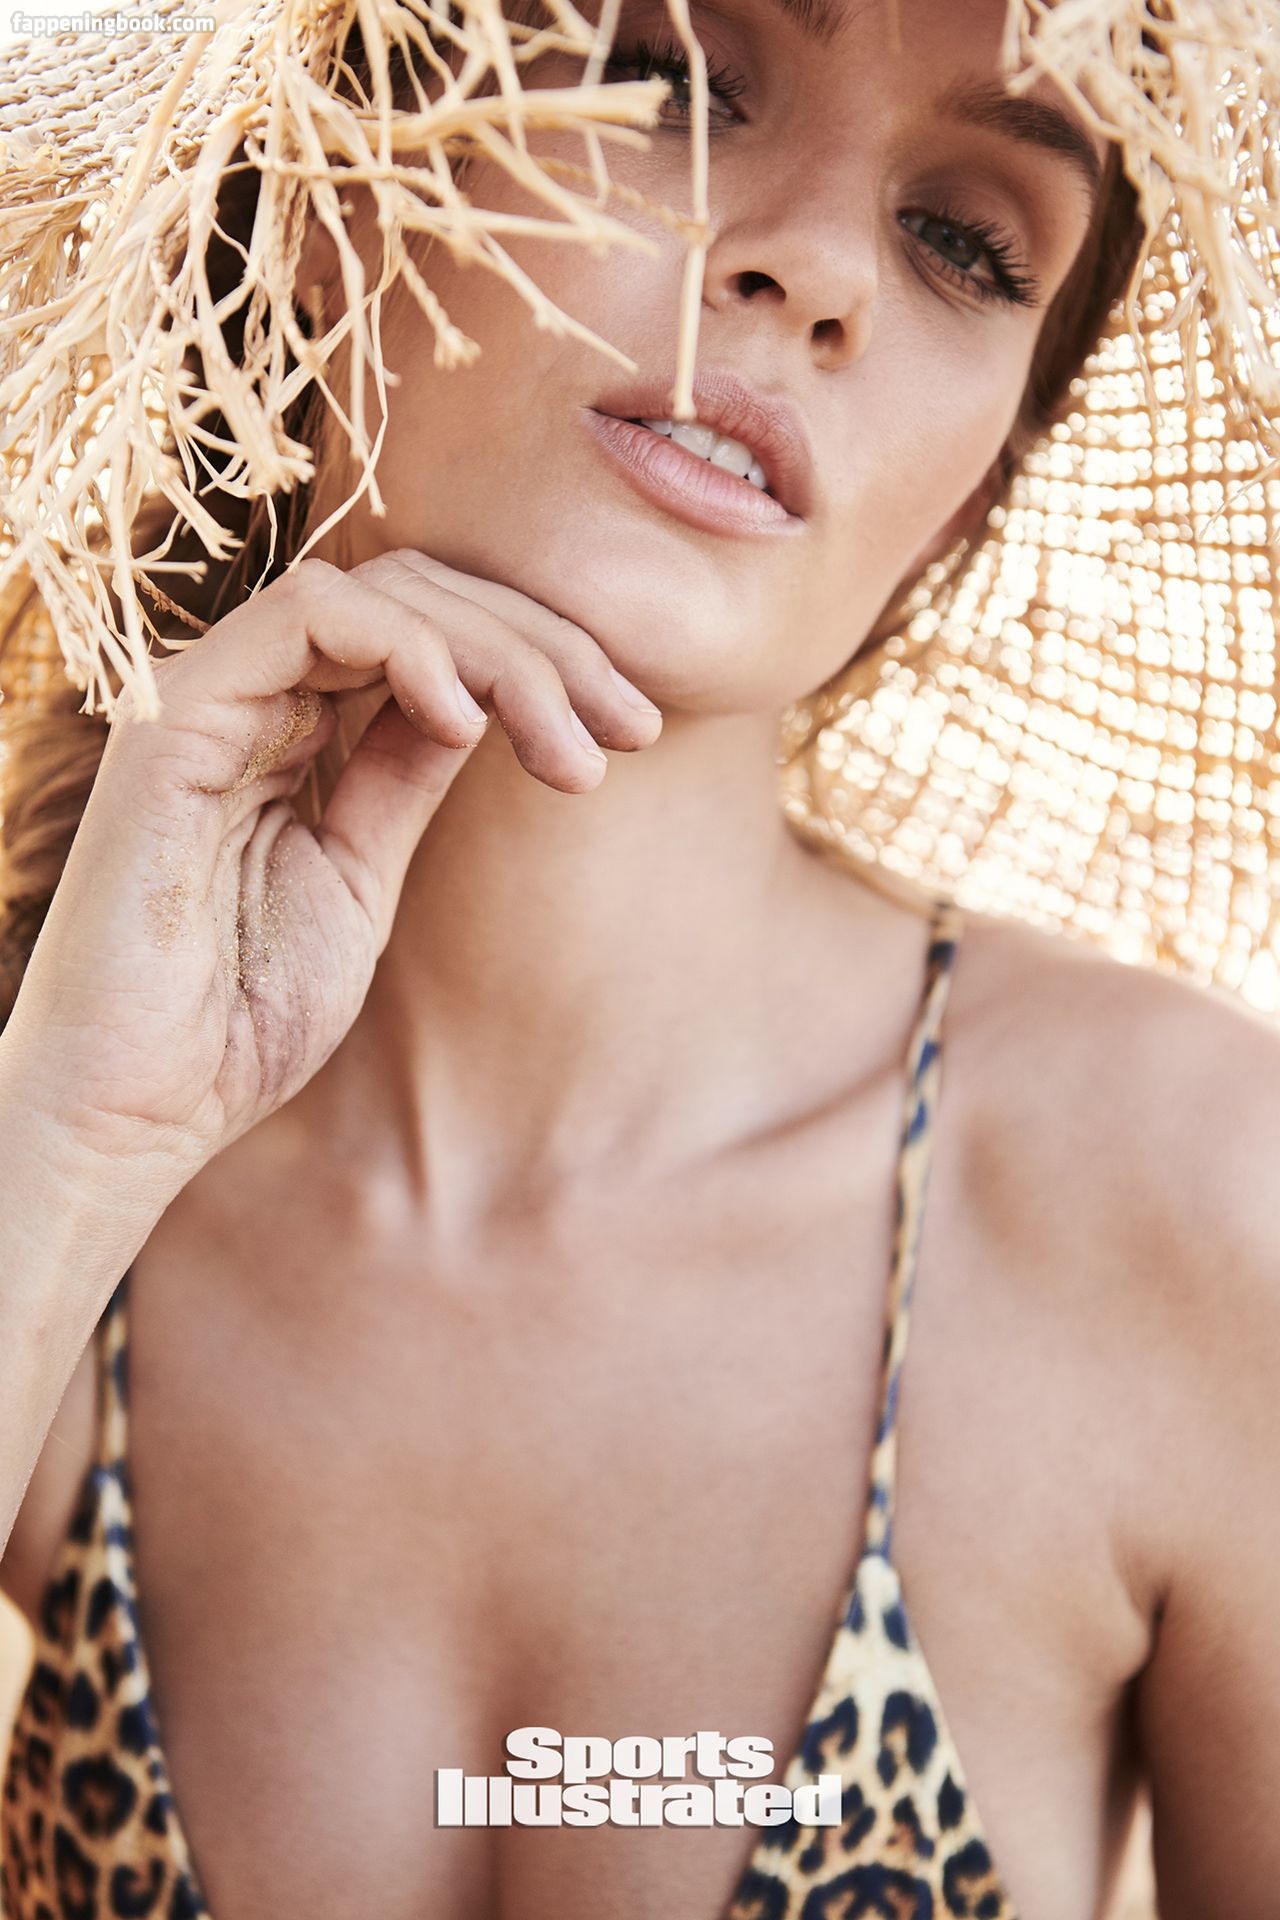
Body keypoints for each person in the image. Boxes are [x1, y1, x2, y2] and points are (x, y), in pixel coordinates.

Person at [0, 0, 1277, 1914]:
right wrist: (73, 1152)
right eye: (671, 76)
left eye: (965, 241)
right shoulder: (49, 1149)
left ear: (973, 493)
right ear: (323, 198)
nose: (821, 267)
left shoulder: (1195, 1203)